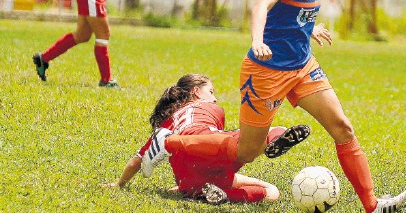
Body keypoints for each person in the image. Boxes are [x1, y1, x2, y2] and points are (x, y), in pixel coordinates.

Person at [144, 0, 406, 213]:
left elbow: (292, 12)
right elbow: (262, 5)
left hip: (302, 67)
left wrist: (309, 27)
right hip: (266, 72)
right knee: (247, 151)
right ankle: (168, 142)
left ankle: (372, 207)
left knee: (343, 128)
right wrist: (257, 39)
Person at [107, 74, 310, 204]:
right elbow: (209, 141)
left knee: (272, 191)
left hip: (188, 178)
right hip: (202, 147)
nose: (214, 98)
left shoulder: (167, 123)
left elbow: (136, 161)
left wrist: (120, 183)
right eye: (211, 92)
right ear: (196, 92)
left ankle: (217, 195)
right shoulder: (208, 108)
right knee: (261, 141)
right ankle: (272, 139)